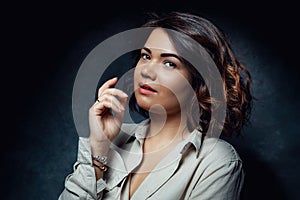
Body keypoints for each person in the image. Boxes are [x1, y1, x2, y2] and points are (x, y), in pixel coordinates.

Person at [58, 11, 253, 200]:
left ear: (199, 82)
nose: (147, 72)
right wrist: (98, 151)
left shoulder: (217, 161)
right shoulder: (112, 140)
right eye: (146, 56)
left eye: (169, 63)